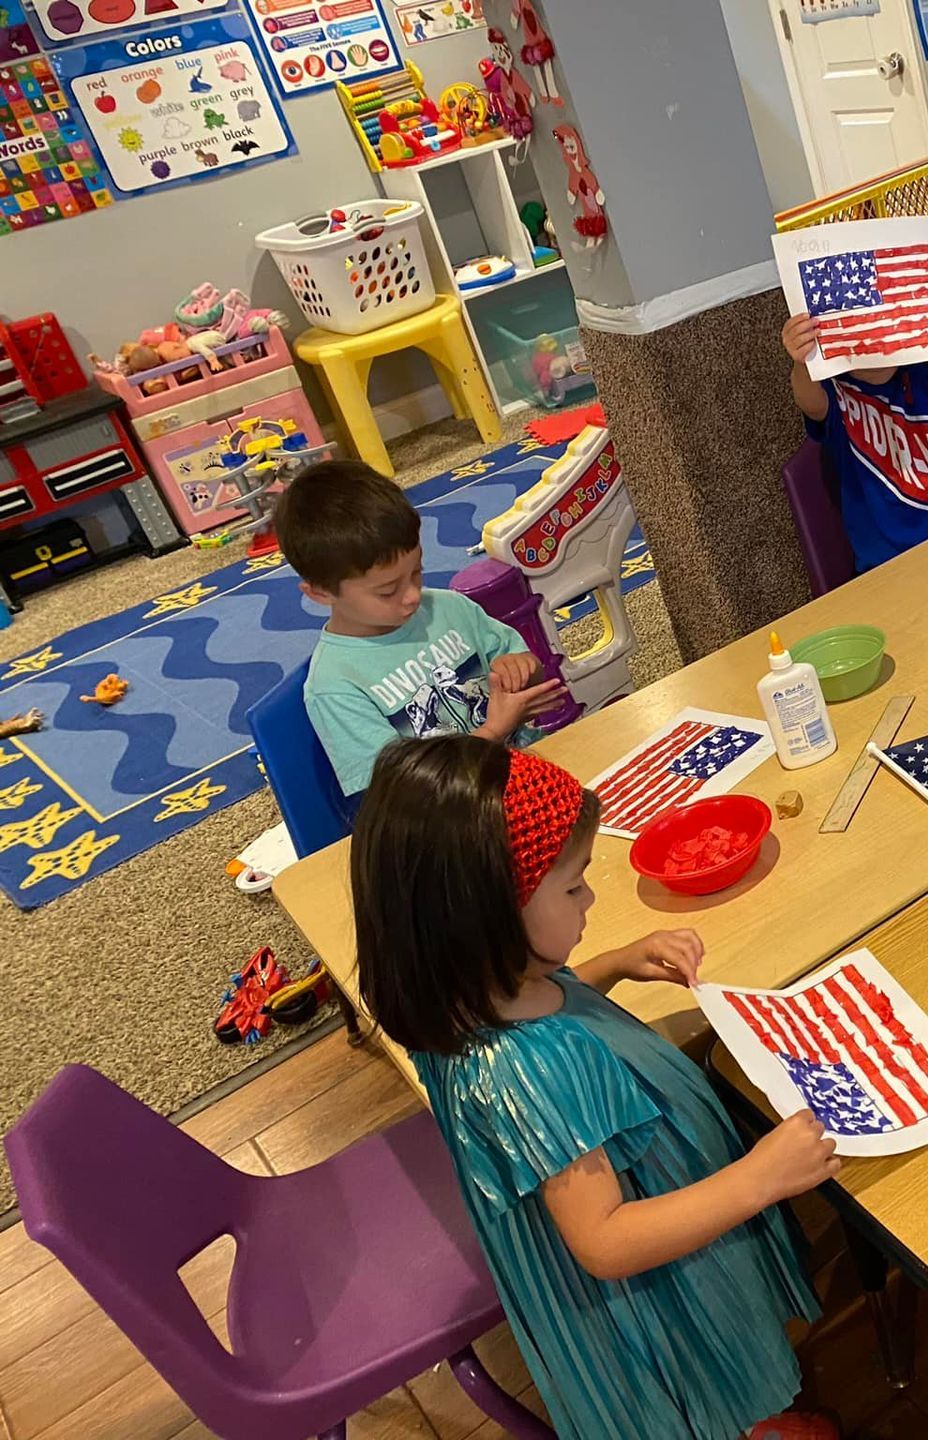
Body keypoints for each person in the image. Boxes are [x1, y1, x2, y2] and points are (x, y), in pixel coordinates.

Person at [352, 735, 841, 1440]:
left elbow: (546, 998)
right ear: (487, 917)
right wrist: (759, 1178)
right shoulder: (528, 1070)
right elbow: (605, 1242)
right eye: (574, 883)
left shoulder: (469, 993)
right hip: (650, 1289)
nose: (591, 895)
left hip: (642, 1242)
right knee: (696, 1388)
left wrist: (613, 963)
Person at [276, 459, 566, 796]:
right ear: (320, 593)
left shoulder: (449, 607)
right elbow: (402, 796)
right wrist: (493, 732)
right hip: (461, 821)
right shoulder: (334, 686)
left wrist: (521, 669)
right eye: (387, 590)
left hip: (531, 774)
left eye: (417, 571)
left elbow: (534, 674)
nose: (413, 596)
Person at [782, 256, 928, 574]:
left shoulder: (918, 374)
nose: (875, 346)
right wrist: (802, 359)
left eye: (885, 325)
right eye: (861, 331)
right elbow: (808, 400)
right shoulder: (838, 397)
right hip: (891, 569)